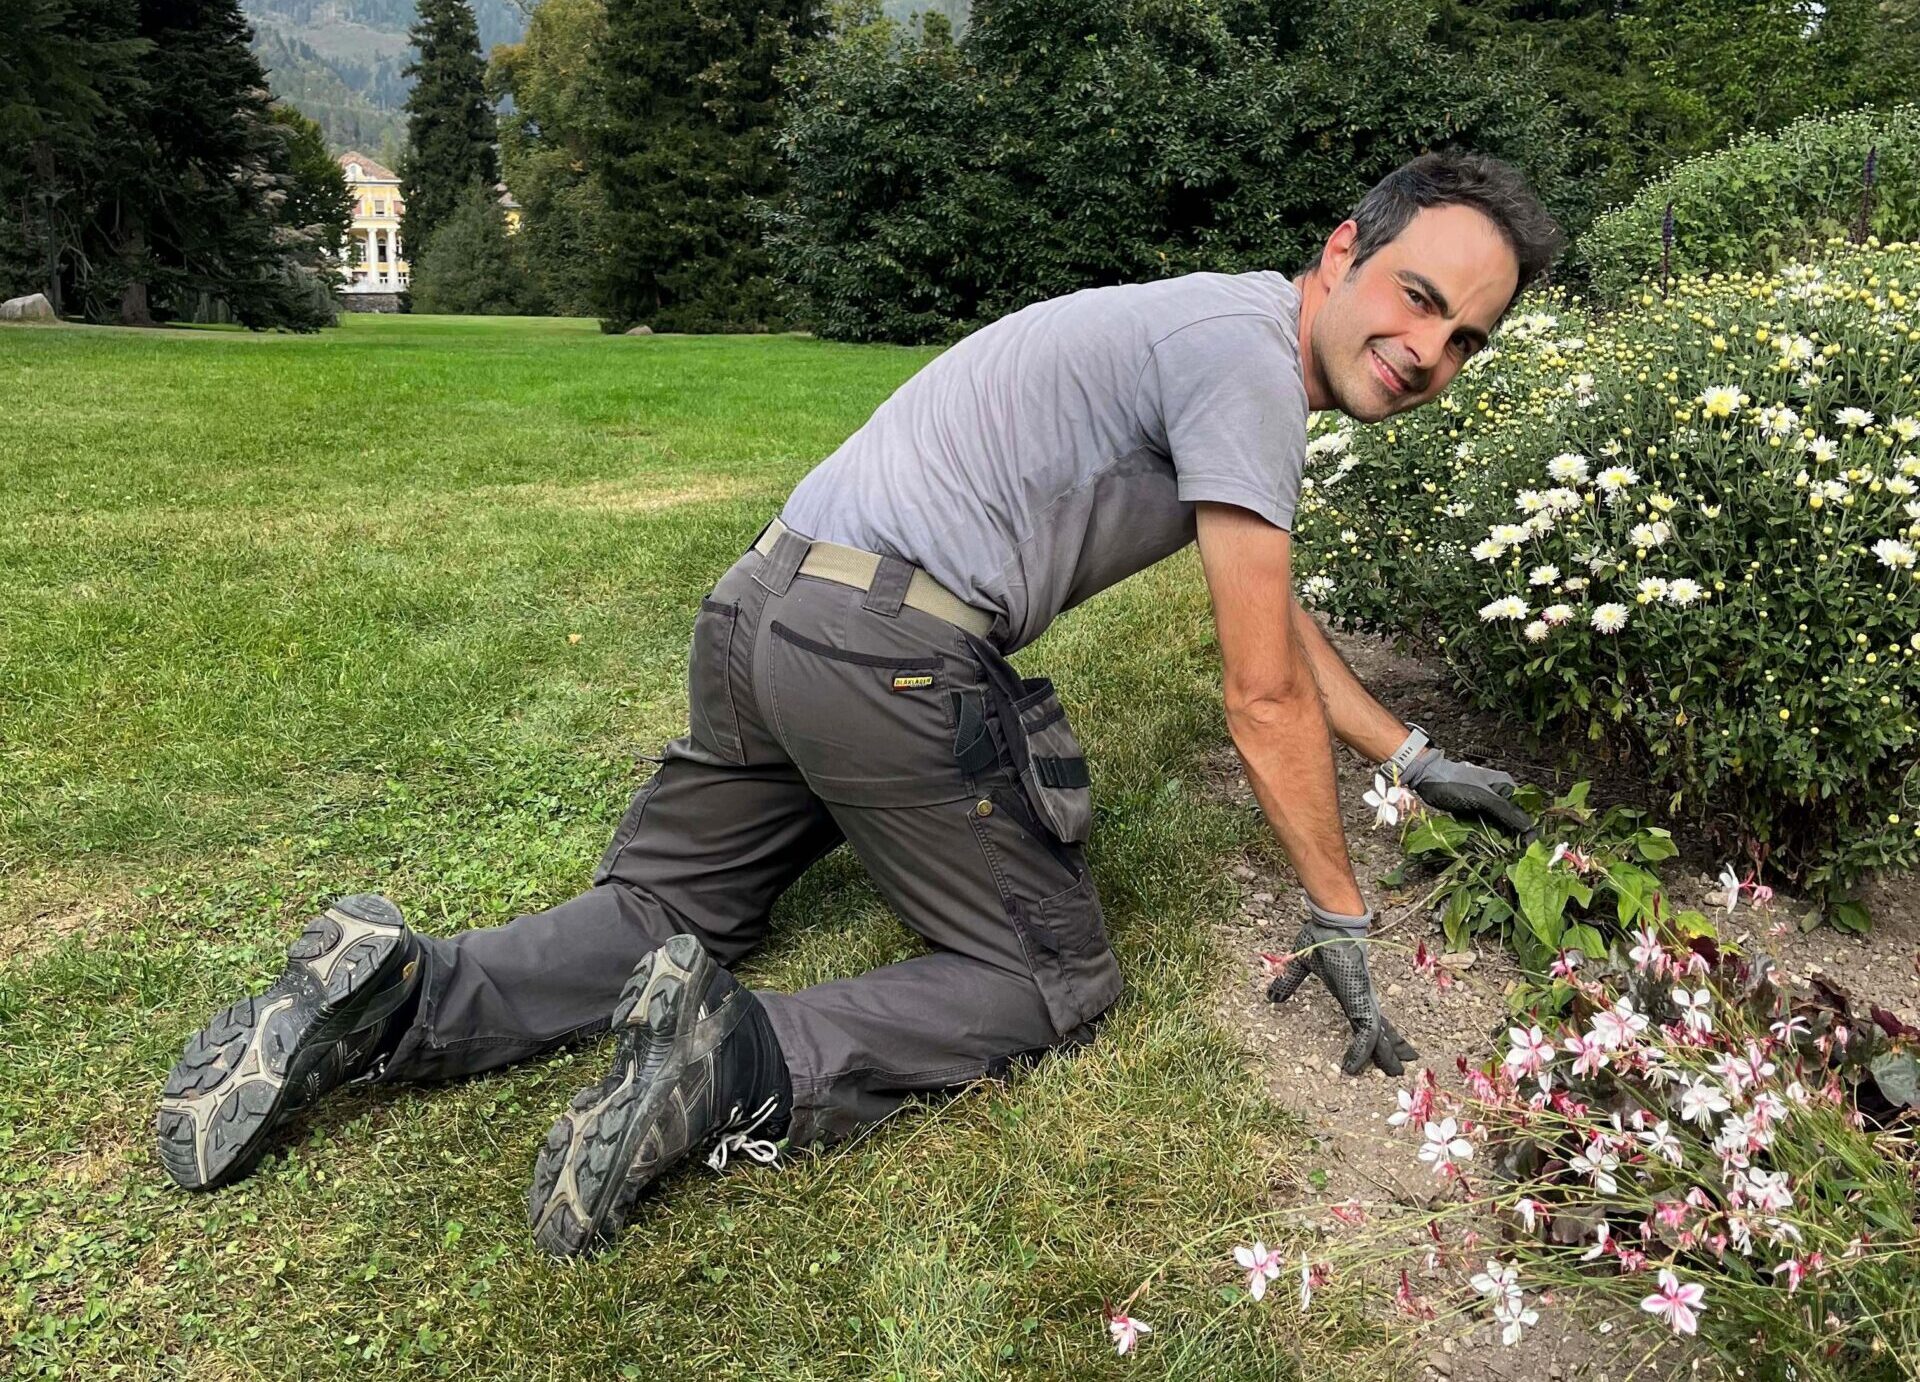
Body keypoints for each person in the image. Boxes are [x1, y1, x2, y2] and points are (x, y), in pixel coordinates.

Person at [154, 148, 1560, 1257]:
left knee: (668, 909)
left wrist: (1411, 751)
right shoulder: (1248, 360)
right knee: (1047, 977)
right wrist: (1338, 908)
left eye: (1467, 338)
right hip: (881, 646)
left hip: (767, 600)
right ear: (1342, 256)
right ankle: (739, 1062)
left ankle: (398, 992)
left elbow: (1278, 618)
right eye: (1419, 298)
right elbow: (1256, 693)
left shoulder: (1215, 327)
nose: (1430, 349)